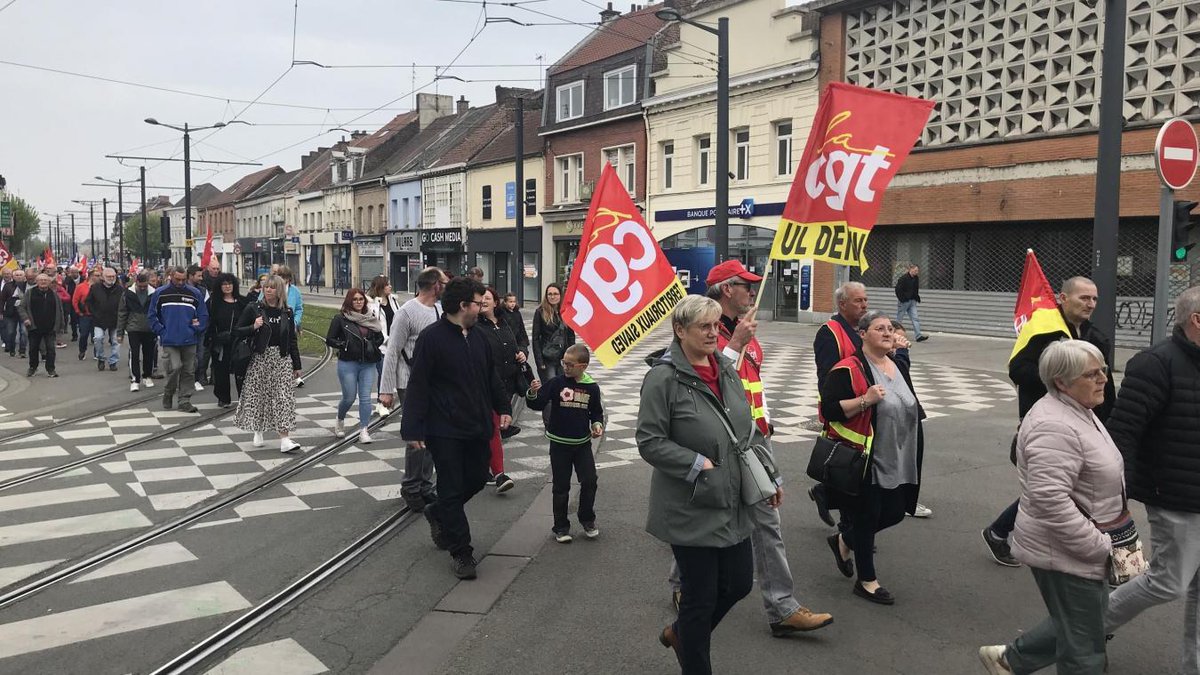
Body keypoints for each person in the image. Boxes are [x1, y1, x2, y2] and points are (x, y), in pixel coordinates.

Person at [665, 261, 834, 636]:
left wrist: (765, 424)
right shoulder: (706, 337)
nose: (753, 292)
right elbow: (700, 384)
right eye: (746, 285)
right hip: (719, 445)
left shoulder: (744, 333)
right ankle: (772, 604)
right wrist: (734, 344)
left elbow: (751, 386)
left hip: (752, 440)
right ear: (727, 289)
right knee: (723, 518)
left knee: (762, 519)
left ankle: (778, 606)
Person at [978, 340, 1122, 674]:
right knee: (1085, 650)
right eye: (1092, 373)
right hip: (1069, 549)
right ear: (1062, 381)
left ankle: (1009, 660)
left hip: (1079, 546)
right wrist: (1097, 545)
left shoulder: (1077, 408)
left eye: (1103, 368)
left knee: (1085, 623)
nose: (1104, 378)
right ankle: (1009, 660)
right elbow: (1050, 500)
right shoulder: (1054, 425)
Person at [638, 295, 758, 674]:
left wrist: (768, 476)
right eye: (703, 326)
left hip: (732, 498)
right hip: (690, 504)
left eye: (715, 325)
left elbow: (745, 430)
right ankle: (694, 658)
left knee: (738, 583)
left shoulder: (725, 368)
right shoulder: (663, 377)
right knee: (699, 599)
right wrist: (696, 463)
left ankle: (682, 635)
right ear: (680, 330)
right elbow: (650, 441)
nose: (712, 333)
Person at [982, 276, 1116, 568]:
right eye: (1084, 298)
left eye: (1094, 299)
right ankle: (1004, 533)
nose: (1091, 304)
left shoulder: (1096, 336)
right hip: (1048, 424)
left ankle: (1003, 532)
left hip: (1086, 423)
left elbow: (1106, 382)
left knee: (1061, 491)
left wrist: (1109, 423)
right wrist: (1062, 383)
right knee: (1053, 492)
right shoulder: (1043, 329)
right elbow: (1018, 370)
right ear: (1063, 298)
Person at [1102, 286, 1200, 673]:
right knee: (1168, 582)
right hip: (1175, 495)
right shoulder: (1156, 363)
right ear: (1197, 319)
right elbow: (1122, 432)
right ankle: (1085, 628)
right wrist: (1115, 496)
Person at [400, 276, 513, 581]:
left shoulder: (480, 337)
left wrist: (504, 407)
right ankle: (461, 551)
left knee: (476, 479)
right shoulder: (432, 338)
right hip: (444, 428)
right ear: (464, 305)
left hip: (477, 426)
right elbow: (419, 384)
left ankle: (437, 512)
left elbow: (491, 377)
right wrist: (413, 429)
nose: (482, 306)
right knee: (450, 487)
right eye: (478, 302)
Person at [819, 311, 925, 605]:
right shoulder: (849, 368)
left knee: (894, 511)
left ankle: (844, 540)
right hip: (867, 456)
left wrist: (902, 350)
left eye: (890, 328)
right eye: (880, 328)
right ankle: (866, 580)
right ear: (863, 334)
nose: (887, 332)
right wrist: (866, 399)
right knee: (867, 517)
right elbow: (828, 409)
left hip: (899, 454)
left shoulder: (896, 365)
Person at [811, 283, 933, 522]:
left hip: (878, 407)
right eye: (858, 301)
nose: (864, 305)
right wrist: (856, 394)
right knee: (853, 470)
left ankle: (845, 519)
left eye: (865, 300)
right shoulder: (830, 332)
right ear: (842, 304)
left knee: (864, 479)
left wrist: (893, 352)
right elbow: (828, 378)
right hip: (852, 410)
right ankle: (849, 530)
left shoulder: (866, 330)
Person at [379, 267, 448, 513]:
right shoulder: (407, 313)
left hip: (434, 382)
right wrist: (385, 390)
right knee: (416, 436)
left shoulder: (440, 310)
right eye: (444, 281)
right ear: (435, 285)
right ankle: (411, 486)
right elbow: (393, 351)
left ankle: (426, 484)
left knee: (431, 435)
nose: (447, 285)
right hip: (409, 381)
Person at [525, 343, 602, 541]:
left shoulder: (591, 387)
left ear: (583, 366)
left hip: (582, 442)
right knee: (561, 485)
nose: (565, 367)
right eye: (564, 363)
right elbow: (537, 403)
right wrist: (532, 392)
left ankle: (587, 518)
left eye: (570, 364)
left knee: (590, 480)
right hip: (559, 443)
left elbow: (596, 411)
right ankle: (560, 526)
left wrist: (597, 424)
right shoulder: (557, 383)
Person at [234, 275, 303, 452]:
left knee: (283, 398)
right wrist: (253, 327)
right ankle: (258, 430)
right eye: (266, 287)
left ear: (279, 290)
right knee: (259, 395)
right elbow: (237, 331)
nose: (268, 290)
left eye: (272, 287)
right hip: (260, 358)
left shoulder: (286, 312)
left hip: (281, 359)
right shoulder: (253, 308)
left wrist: (297, 365)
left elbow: (292, 339)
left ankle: (285, 439)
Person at [325, 288, 385, 443]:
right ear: (349, 301)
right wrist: (344, 345)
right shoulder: (341, 319)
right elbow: (330, 339)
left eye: (361, 299)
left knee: (365, 398)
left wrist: (372, 344)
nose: (358, 302)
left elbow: (379, 337)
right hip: (348, 363)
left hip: (368, 363)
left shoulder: (370, 317)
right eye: (355, 299)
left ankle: (364, 430)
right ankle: (340, 418)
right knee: (349, 397)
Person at [476, 287, 522, 493]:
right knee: (491, 429)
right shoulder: (474, 326)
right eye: (480, 299)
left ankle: (486, 468)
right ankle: (499, 474)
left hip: (506, 383)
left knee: (490, 430)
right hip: (484, 386)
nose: (483, 301)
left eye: (487, 298)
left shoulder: (504, 323)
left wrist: (520, 353)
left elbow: (517, 343)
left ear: (496, 302)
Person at [148, 268, 208, 413]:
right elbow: (152, 315)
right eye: (177, 279)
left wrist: (196, 329)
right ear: (171, 277)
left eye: (183, 279)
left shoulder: (195, 293)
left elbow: (203, 315)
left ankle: (184, 400)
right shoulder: (160, 293)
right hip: (169, 339)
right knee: (174, 367)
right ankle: (169, 391)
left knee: (189, 370)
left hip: (189, 339)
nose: (180, 282)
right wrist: (162, 331)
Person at [207, 273, 246, 408]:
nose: (228, 286)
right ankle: (223, 398)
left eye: (230, 283)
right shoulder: (213, 302)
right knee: (221, 371)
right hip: (221, 343)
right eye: (224, 284)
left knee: (241, 371)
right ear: (219, 286)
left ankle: (244, 397)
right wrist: (213, 338)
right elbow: (209, 323)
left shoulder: (242, 302)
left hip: (239, 342)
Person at [18, 273, 65, 378]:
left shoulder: (54, 295)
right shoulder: (30, 293)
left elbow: (60, 310)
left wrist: (61, 325)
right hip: (34, 327)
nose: (43, 282)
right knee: (33, 349)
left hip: (50, 327)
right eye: (41, 280)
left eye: (45, 280)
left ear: (49, 282)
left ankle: (51, 369)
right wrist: (26, 318)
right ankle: (33, 368)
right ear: (37, 282)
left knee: (51, 349)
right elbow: (21, 307)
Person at [117, 272, 157, 392]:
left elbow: (158, 311)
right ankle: (135, 379)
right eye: (141, 286)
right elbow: (122, 313)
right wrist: (120, 332)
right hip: (133, 328)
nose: (143, 288)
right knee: (134, 354)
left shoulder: (154, 293)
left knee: (149, 353)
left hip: (149, 328)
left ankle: (147, 375)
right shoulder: (128, 294)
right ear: (136, 283)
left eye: (145, 286)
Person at [365, 275, 400, 411]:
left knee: (395, 372)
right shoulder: (372, 305)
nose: (390, 287)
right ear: (380, 287)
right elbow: (375, 325)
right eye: (387, 285)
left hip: (396, 342)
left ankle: (389, 399)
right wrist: (386, 339)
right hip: (381, 344)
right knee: (383, 372)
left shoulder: (394, 301)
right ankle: (381, 401)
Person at [531, 283, 575, 385]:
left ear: (560, 295)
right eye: (549, 294)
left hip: (564, 357)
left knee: (565, 387)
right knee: (551, 387)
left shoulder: (566, 311)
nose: (552, 296)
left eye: (555, 294)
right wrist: (539, 362)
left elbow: (571, 336)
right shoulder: (540, 312)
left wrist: (572, 356)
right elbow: (535, 338)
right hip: (547, 357)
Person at [86, 267, 123, 372]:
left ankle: (113, 361)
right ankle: (101, 358)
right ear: (103, 277)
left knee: (116, 341)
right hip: (99, 319)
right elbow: (89, 302)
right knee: (98, 338)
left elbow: (124, 304)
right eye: (108, 276)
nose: (111, 278)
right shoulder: (95, 288)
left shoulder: (120, 289)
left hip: (115, 319)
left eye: (113, 276)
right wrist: (94, 313)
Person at [277, 265, 305, 387]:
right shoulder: (272, 288)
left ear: (289, 278)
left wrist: (295, 321)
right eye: (280, 277)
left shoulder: (294, 291)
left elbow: (299, 308)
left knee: (292, 348)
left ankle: (295, 374)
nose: (283, 280)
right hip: (275, 326)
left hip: (290, 325)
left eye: (285, 277)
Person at [894, 263, 927, 342]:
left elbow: (915, 289)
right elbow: (898, 290)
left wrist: (916, 297)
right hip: (904, 302)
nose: (916, 272)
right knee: (899, 319)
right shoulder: (903, 278)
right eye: (915, 270)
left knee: (915, 318)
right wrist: (902, 299)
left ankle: (918, 336)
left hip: (912, 301)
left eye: (917, 270)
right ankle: (894, 334)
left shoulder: (916, 278)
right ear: (910, 270)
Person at [1, 268, 28, 358]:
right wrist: (1, 312)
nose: (19, 277)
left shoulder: (27, 286)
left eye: (21, 275)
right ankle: (12, 349)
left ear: (24, 276)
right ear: (13, 276)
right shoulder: (8, 286)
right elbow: (2, 300)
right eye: (17, 275)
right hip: (10, 313)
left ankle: (22, 350)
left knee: (23, 332)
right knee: (11, 332)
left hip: (24, 313)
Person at [50, 275, 70, 349]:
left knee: (59, 325)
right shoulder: (46, 290)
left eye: (55, 283)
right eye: (52, 283)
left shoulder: (60, 289)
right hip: (49, 310)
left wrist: (60, 298)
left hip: (59, 309)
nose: (54, 285)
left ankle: (58, 341)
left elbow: (68, 297)